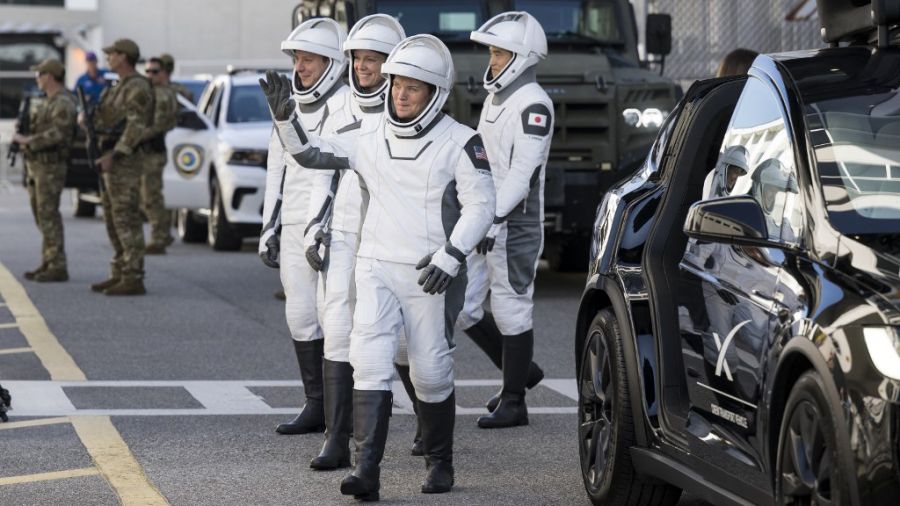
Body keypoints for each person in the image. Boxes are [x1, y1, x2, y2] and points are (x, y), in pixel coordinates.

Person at [260, 33, 496, 499]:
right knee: (368, 363)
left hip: (430, 274)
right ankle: (366, 472)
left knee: (429, 371)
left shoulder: (462, 142)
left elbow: (481, 206)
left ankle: (439, 462)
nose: (401, 95)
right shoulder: (367, 138)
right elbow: (310, 154)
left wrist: (451, 255)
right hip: (374, 268)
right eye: (397, 85)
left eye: (414, 87)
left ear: (435, 93)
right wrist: (287, 118)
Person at [301, 14, 408, 470]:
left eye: (374, 60)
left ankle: (432, 427)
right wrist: (312, 228)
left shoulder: (409, 108)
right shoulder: (338, 108)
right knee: (339, 334)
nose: (364, 68)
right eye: (358, 59)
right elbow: (320, 173)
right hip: (345, 233)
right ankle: (336, 440)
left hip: (393, 238)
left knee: (408, 346)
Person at [457, 11, 553, 429]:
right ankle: (522, 371)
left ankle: (515, 400)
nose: (493, 60)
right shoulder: (499, 98)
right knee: (463, 308)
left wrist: (493, 220)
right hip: (484, 218)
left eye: (500, 52)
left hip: (515, 224)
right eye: (493, 52)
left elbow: (522, 174)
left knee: (512, 306)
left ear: (523, 56)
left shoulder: (534, 104)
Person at [258, 18, 350, 437]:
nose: (300, 67)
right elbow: (276, 165)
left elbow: (327, 173)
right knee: (299, 314)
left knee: (337, 320)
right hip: (294, 223)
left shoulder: (345, 104)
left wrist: (319, 226)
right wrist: (268, 225)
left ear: (331, 62)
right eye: (296, 58)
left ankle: (342, 414)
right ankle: (316, 405)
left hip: (330, 227)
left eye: (308, 58)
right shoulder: (287, 100)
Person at [87, 39, 154, 296]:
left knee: (126, 217)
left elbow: (135, 127)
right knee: (112, 216)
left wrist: (114, 155)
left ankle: (134, 275)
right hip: (109, 158)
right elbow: (106, 118)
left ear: (124, 57)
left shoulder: (137, 87)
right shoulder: (117, 87)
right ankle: (119, 271)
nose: (108, 58)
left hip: (123, 160)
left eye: (111, 54)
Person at [15, 58, 77, 282]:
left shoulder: (64, 102)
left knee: (49, 214)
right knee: (41, 214)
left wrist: (28, 140)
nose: (37, 79)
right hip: (37, 164)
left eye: (39, 75)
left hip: (51, 166)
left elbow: (58, 133)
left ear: (49, 76)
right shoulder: (47, 101)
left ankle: (58, 264)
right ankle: (49, 260)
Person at [140, 57, 178, 254]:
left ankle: (159, 237)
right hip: (147, 151)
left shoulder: (162, 94)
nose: (150, 75)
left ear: (163, 73)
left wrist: (136, 136)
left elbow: (159, 125)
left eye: (154, 71)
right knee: (148, 195)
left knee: (151, 196)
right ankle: (163, 232)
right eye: (147, 71)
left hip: (153, 151)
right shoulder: (152, 92)